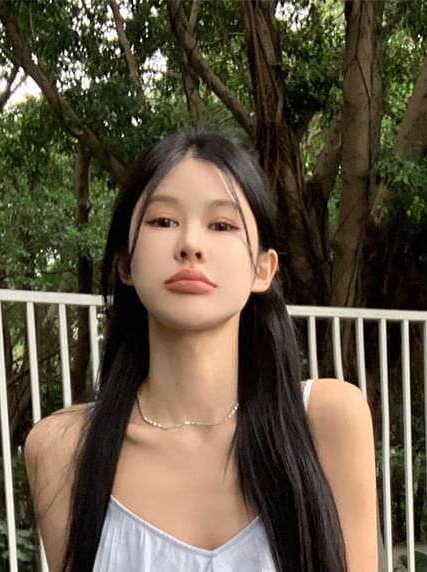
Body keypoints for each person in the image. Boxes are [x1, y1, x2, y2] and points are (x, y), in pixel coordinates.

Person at [24, 129, 378, 571]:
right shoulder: (62, 449)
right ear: (124, 263)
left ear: (263, 269)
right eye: (162, 221)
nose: (190, 244)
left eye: (222, 225)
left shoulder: (327, 419)